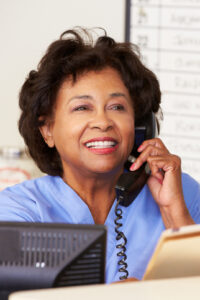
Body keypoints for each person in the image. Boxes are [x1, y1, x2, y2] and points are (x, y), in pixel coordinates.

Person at [0, 28, 200, 283]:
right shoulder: (17, 212)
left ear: (140, 125)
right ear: (48, 130)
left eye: (117, 107)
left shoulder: (184, 193)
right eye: (82, 107)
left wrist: (175, 214)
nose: (103, 122)